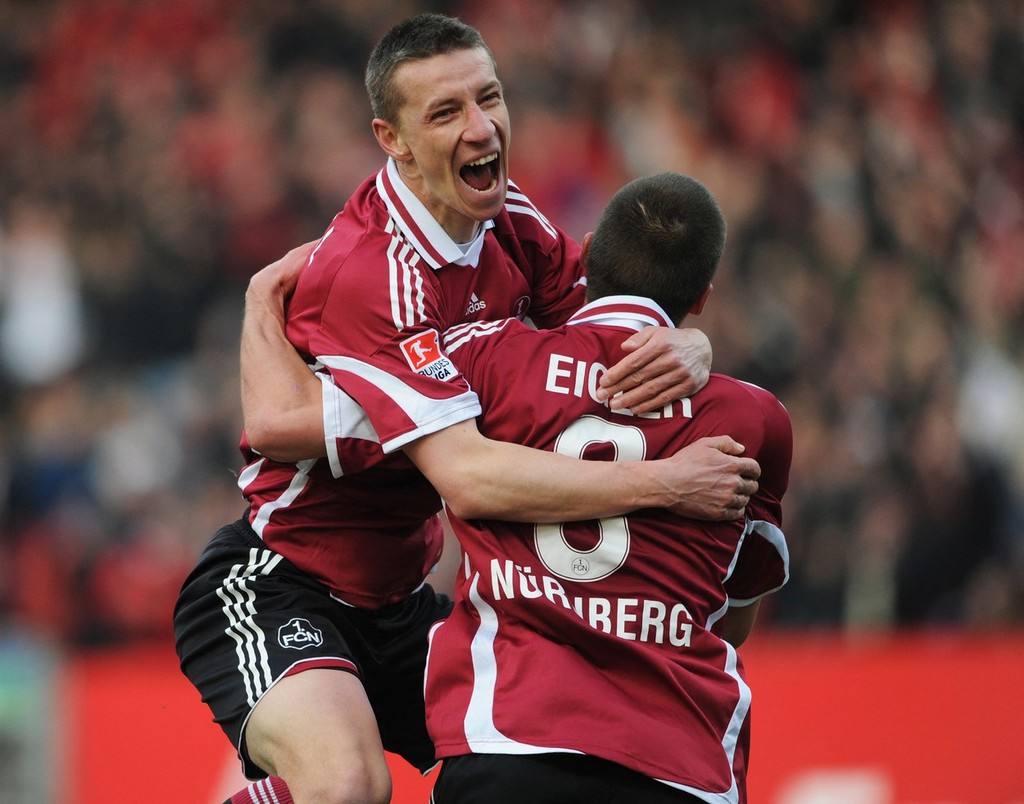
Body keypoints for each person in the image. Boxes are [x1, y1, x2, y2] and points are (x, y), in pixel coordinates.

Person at [174, 14, 760, 804]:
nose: (481, 127)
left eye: (489, 98)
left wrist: (688, 341)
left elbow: (610, 324)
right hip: (281, 582)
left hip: (402, 603)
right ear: (393, 140)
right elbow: (469, 478)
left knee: (539, 741)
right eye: (446, 112)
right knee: (347, 786)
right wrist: (667, 484)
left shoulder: (509, 221)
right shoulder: (376, 273)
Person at [424, 172, 792, 803]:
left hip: (511, 740)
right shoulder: (755, 421)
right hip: (681, 765)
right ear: (702, 298)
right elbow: (732, 620)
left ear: (588, 253)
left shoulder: (486, 361)